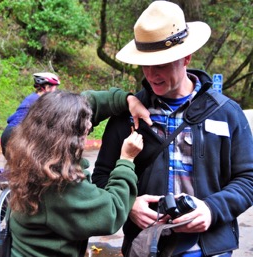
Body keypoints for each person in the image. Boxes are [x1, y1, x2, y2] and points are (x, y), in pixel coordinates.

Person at [92, 1, 253, 257]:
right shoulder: (127, 116)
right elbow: (101, 177)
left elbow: (248, 179)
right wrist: (128, 204)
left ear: (186, 57)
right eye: (146, 64)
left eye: (163, 64)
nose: (152, 74)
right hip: (145, 246)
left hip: (209, 248)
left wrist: (212, 209)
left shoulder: (226, 113)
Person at [5, 87, 152, 257]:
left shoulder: (28, 152)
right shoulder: (59, 184)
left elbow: (72, 110)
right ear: (66, 138)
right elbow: (112, 212)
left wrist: (126, 100)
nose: (90, 125)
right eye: (84, 128)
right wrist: (126, 160)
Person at [0, 72, 60, 156]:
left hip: (7, 134)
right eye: (55, 88)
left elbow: (10, 119)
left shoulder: (31, 97)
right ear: (47, 87)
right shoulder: (41, 102)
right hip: (17, 137)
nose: (56, 91)